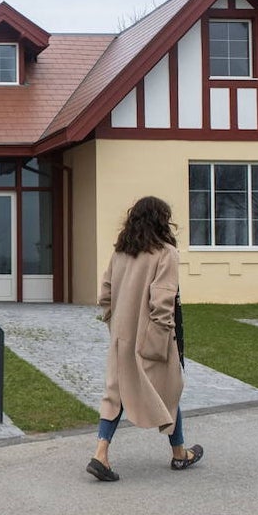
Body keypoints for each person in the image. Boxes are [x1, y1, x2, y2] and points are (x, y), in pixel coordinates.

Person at [86, 196, 203, 481]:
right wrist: (163, 337)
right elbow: (162, 301)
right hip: (152, 336)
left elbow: (105, 295)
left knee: (115, 394)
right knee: (169, 388)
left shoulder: (121, 253)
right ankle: (178, 453)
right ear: (161, 219)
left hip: (121, 337)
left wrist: (115, 325)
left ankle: (101, 453)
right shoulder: (166, 253)